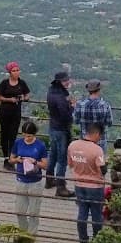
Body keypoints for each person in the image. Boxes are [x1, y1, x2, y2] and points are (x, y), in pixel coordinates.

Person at [68, 122, 109, 243]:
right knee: (97, 216)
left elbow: (70, 164)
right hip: (95, 186)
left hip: (79, 185)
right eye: (100, 136)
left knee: (82, 214)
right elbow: (103, 170)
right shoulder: (97, 150)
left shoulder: (72, 145)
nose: (100, 138)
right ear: (96, 134)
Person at [6, 119, 48, 233]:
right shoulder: (18, 143)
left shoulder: (40, 145)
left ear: (34, 134)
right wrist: (18, 160)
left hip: (35, 182)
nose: (27, 138)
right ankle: (23, 231)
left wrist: (35, 162)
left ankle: (31, 234)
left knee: (34, 211)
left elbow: (45, 165)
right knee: (20, 210)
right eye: (25, 135)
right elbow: (11, 159)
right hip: (21, 179)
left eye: (29, 136)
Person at [46, 69, 75, 197]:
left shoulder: (51, 91)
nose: (68, 82)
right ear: (60, 82)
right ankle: (61, 187)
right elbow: (65, 114)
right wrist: (72, 107)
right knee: (62, 159)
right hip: (61, 129)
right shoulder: (60, 96)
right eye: (65, 80)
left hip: (53, 126)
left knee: (53, 154)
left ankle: (49, 179)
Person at [0, 61, 31, 160]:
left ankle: (11, 156)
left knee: (13, 134)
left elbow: (28, 94)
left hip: (16, 112)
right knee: (4, 134)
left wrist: (23, 98)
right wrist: (9, 100)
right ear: (10, 72)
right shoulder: (4, 83)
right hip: (4, 112)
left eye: (17, 70)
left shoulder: (22, 83)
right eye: (13, 71)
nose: (16, 72)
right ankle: (5, 156)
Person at [76, 79, 112, 158]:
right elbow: (109, 123)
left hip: (84, 140)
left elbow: (76, 121)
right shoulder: (105, 105)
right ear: (99, 90)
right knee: (99, 165)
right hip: (100, 141)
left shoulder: (79, 104)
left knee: (85, 162)